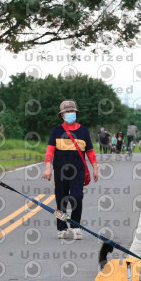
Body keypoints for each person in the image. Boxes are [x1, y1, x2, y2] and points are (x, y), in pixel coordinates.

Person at [43, 100, 99, 240]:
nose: (69, 114)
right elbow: (50, 150)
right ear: (62, 115)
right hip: (60, 171)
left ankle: (75, 227)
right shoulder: (56, 130)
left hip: (78, 171)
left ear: (76, 113)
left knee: (77, 197)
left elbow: (90, 151)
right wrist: (48, 168)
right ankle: (61, 228)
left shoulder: (83, 131)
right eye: (67, 112)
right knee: (61, 199)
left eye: (72, 111)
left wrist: (95, 168)